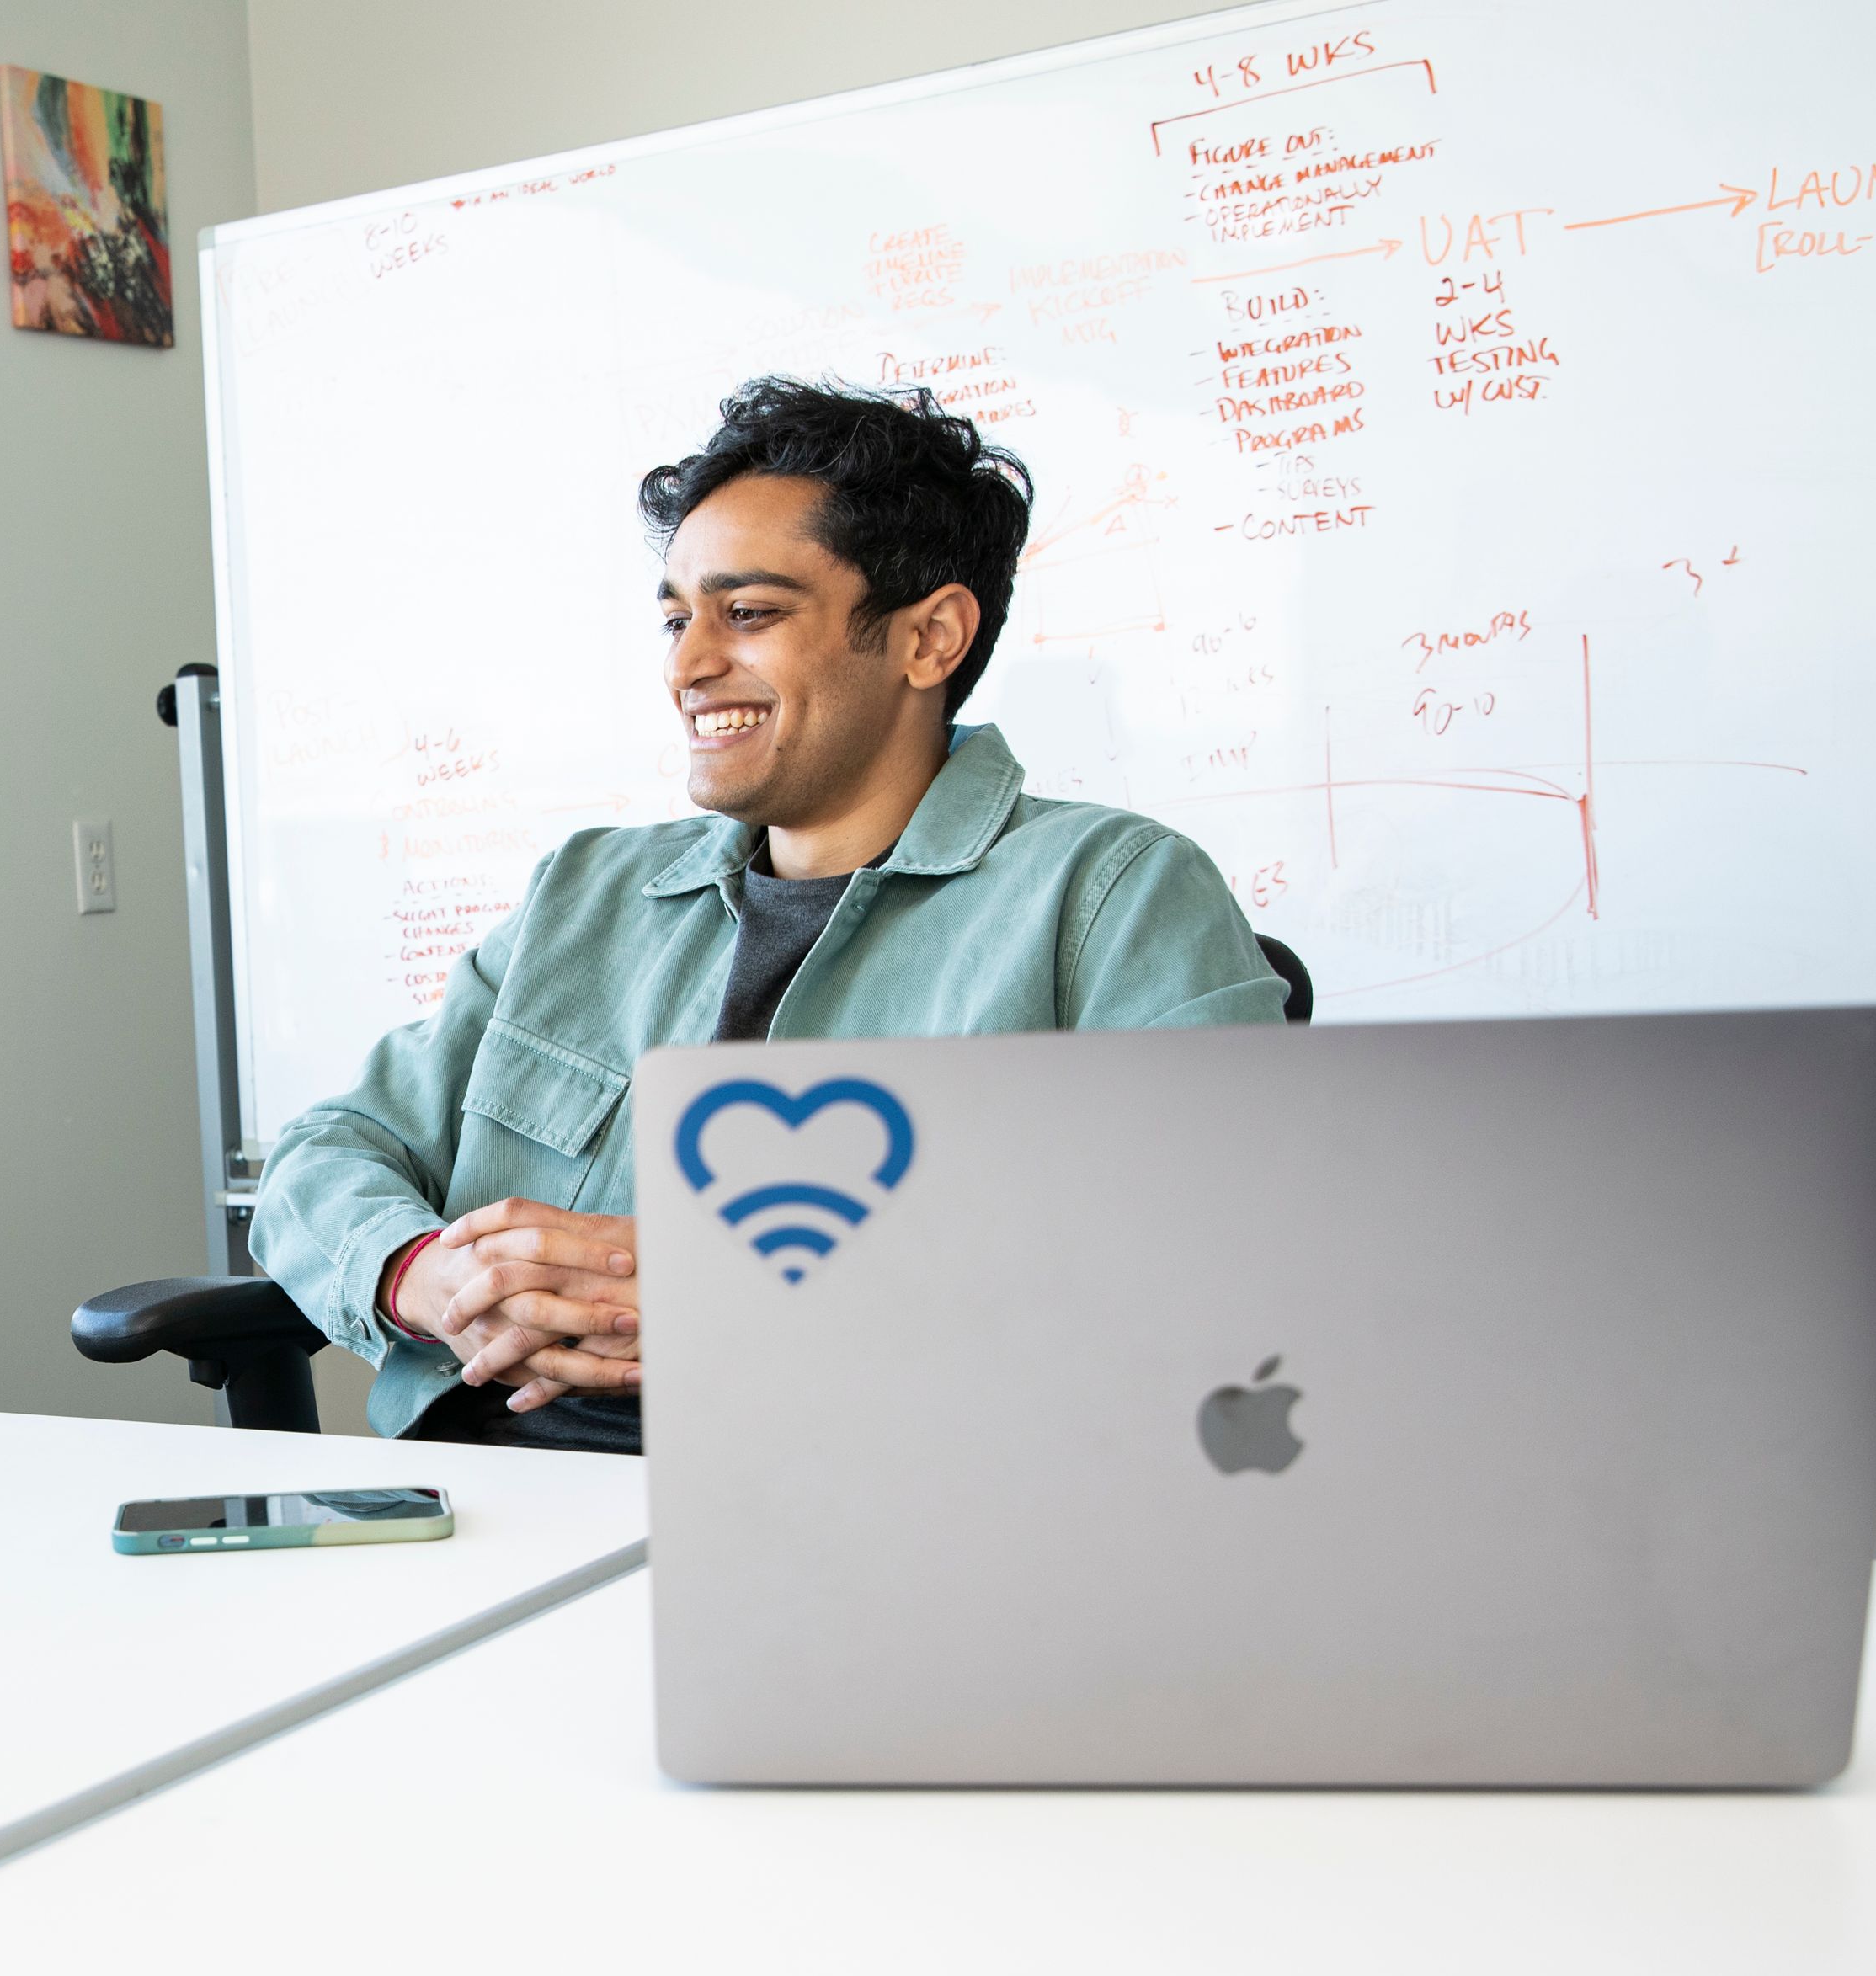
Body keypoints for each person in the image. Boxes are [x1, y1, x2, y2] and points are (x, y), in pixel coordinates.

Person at [250, 376, 1287, 1452]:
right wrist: (420, 1274)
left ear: (929, 639)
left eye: (747, 614)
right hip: (486, 1486)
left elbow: (1211, 1255)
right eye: (675, 618)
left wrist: (741, 1291)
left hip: (866, 1500)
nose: (689, 666)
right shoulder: (585, 892)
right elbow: (332, 1146)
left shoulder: (1112, 892)